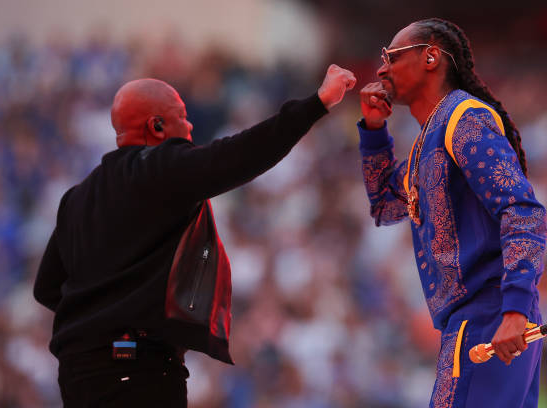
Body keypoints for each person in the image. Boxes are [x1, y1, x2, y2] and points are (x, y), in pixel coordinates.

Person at [34, 64, 356, 407]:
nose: (189, 126)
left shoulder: (77, 197)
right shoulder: (161, 168)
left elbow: (47, 288)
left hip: (77, 371)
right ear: (156, 126)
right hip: (138, 369)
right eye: (182, 116)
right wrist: (317, 103)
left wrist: (98, 321)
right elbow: (241, 154)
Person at [356, 18, 547, 407]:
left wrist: (513, 309)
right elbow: (385, 207)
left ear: (430, 56)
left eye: (391, 56)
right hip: (482, 318)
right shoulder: (429, 139)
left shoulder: (463, 119)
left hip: (490, 315)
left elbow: (522, 210)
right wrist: (374, 130)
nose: (380, 69)